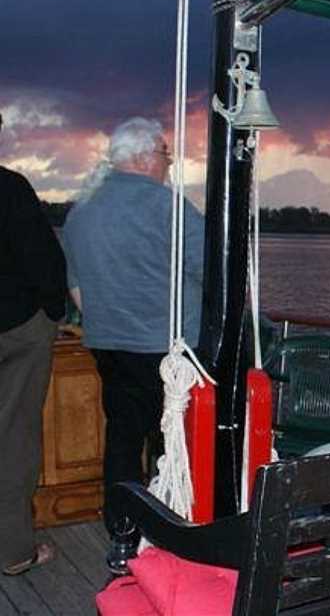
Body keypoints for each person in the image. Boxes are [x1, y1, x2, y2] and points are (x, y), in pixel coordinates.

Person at [62, 117, 204, 568]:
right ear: (144, 157)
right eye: (165, 152)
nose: (168, 161)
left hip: (110, 346)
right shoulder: (170, 208)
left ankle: (123, 538)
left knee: (123, 439)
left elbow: (78, 291)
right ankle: (171, 538)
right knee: (172, 444)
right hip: (167, 352)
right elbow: (215, 275)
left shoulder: (81, 211)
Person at [0, 112, 67, 575]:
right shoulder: (10, 188)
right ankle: (13, 551)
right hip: (16, 330)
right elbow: (43, 260)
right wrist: (54, 312)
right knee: (13, 438)